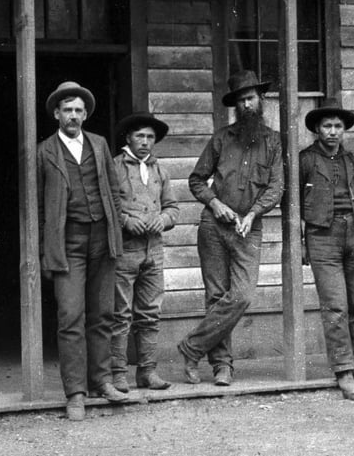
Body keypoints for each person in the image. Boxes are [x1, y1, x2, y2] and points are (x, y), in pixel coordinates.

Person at [177, 71, 283, 386]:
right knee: (216, 295)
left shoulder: (274, 141)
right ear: (235, 105)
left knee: (242, 296)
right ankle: (222, 366)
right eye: (241, 100)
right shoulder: (222, 138)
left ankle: (191, 347)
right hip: (214, 225)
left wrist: (253, 214)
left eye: (251, 98)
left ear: (261, 101)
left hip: (249, 227)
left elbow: (277, 187)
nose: (247, 104)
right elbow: (196, 179)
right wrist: (215, 204)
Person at [38, 81, 127, 421]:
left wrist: (115, 232)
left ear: (85, 114)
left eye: (78, 110)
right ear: (56, 114)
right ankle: (75, 392)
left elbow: (114, 192)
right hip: (67, 243)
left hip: (102, 240)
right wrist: (45, 252)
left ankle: (101, 381)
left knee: (103, 313)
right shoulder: (44, 151)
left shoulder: (100, 144)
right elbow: (38, 208)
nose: (73, 116)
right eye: (67, 110)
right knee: (70, 316)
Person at [299, 98, 354, 400]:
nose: (333, 132)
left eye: (338, 126)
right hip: (323, 237)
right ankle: (343, 371)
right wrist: (301, 240)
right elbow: (291, 203)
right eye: (327, 126)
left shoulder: (352, 161)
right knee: (335, 305)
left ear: (343, 130)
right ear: (317, 130)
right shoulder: (305, 160)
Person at [110, 112, 180, 392]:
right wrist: (127, 220)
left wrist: (162, 219)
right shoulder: (114, 167)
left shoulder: (159, 170)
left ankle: (147, 372)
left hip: (154, 252)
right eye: (140, 135)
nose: (145, 142)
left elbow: (173, 208)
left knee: (150, 314)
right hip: (125, 252)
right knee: (120, 314)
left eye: (150, 137)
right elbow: (108, 206)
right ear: (128, 138)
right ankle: (117, 373)